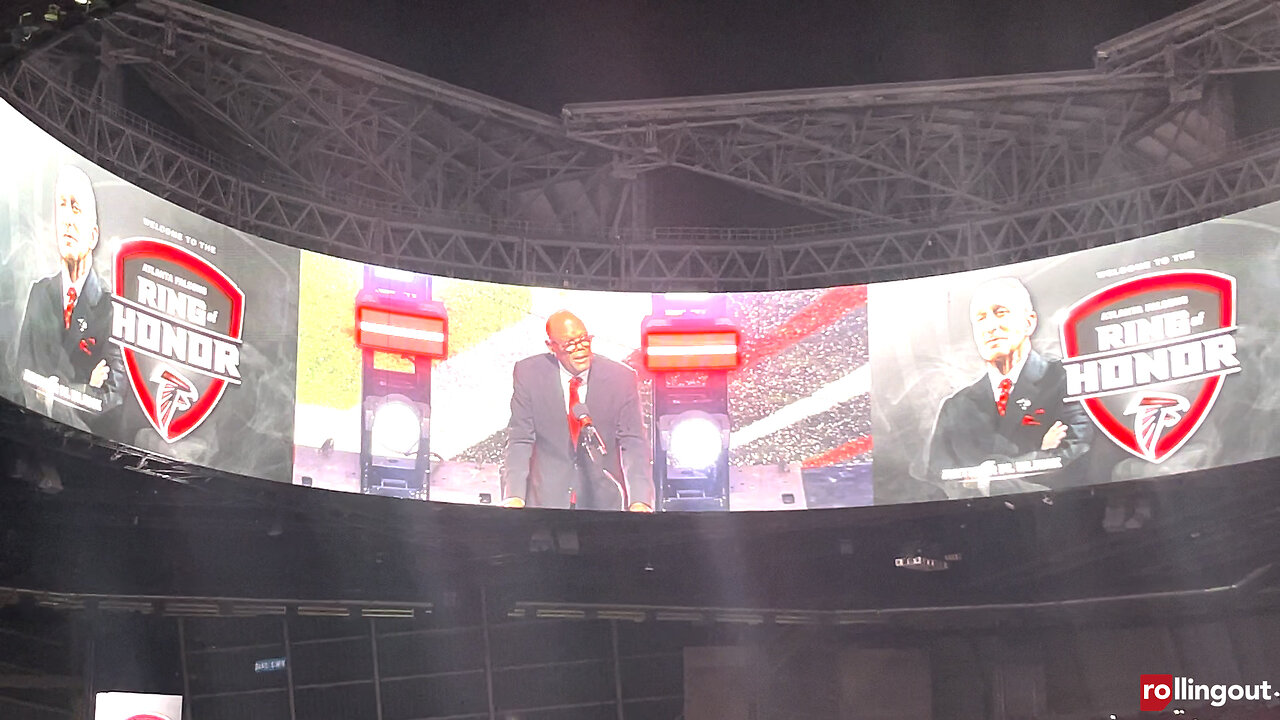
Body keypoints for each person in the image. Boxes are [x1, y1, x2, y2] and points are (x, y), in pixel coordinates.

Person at [925, 277, 1093, 492]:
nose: (990, 327)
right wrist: (1035, 456)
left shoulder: (1066, 378)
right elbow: (939, 482)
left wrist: (982, 479)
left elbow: (1073, 457)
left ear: (1029, 323)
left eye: (1000, 313)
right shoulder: (955, 407)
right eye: (981, 318)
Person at [502, 310, 654, 511]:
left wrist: (640, 500)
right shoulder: (529, 374)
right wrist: (514, 496)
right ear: (552, 346)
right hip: (546, 501)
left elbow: (633, 441)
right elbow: (520, 438)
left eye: (584, 340)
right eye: (570, 344)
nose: (581, 349)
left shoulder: (621, 378)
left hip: (601, 502)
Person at [15, 165, 124, 432]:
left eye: (76, 208)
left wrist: (50, 393)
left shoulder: (112, 310)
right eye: (61, 206)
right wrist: (84, 388)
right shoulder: (39, 293)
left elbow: (112, 399)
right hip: (27, 438)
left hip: (86, 453)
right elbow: (23, 377)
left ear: (93, 235)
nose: (67, 219)